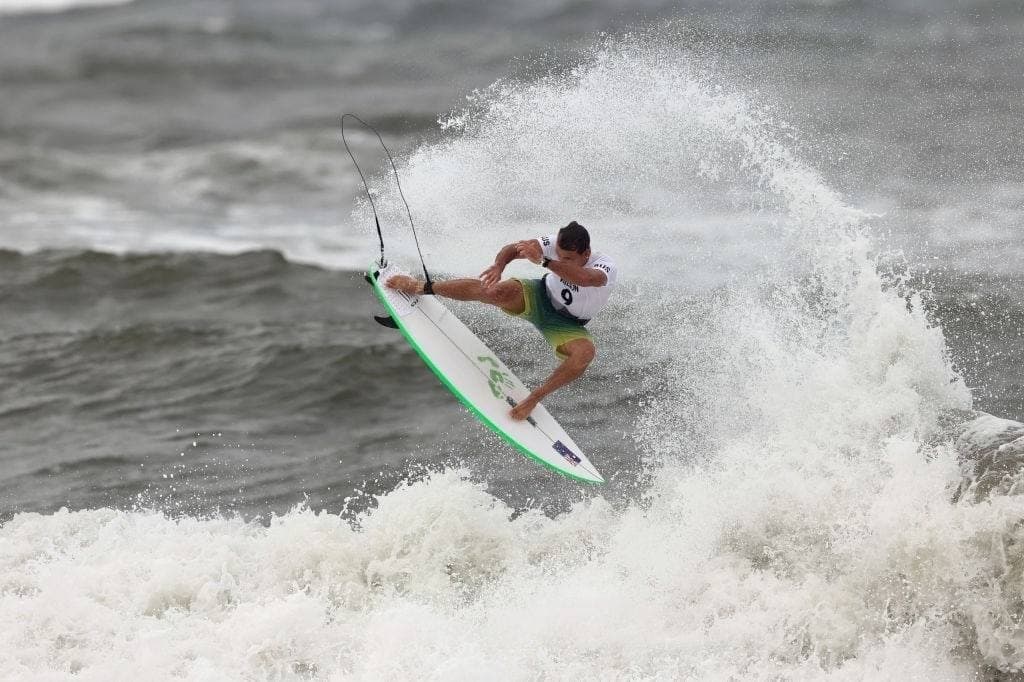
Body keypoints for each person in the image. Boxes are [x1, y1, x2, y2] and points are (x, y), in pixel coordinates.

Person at [386, 220, 617, 421]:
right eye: (559, 255)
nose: (562, 261)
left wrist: (545, 262)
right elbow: (514, 248)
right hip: (539, 295)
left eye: (568, 259)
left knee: (585, 354)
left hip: (568, 324)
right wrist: (499, 265)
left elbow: (586, 279)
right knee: (494, 291)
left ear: (585, 254)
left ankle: (534, 398)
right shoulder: (554, 243)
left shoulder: (604, 265)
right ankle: (420, 287)